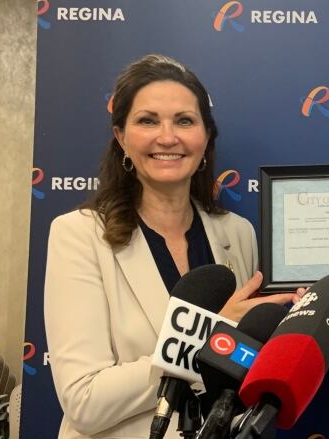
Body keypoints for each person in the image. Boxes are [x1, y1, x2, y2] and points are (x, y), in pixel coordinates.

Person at [44, 54, 296, 438]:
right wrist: (213, 334)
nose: (167, 137)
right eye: (147, 121)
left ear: (206, 137)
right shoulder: (78, 235)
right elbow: (85, 400)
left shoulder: (238, 232)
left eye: (184, 120)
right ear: (121, 138)